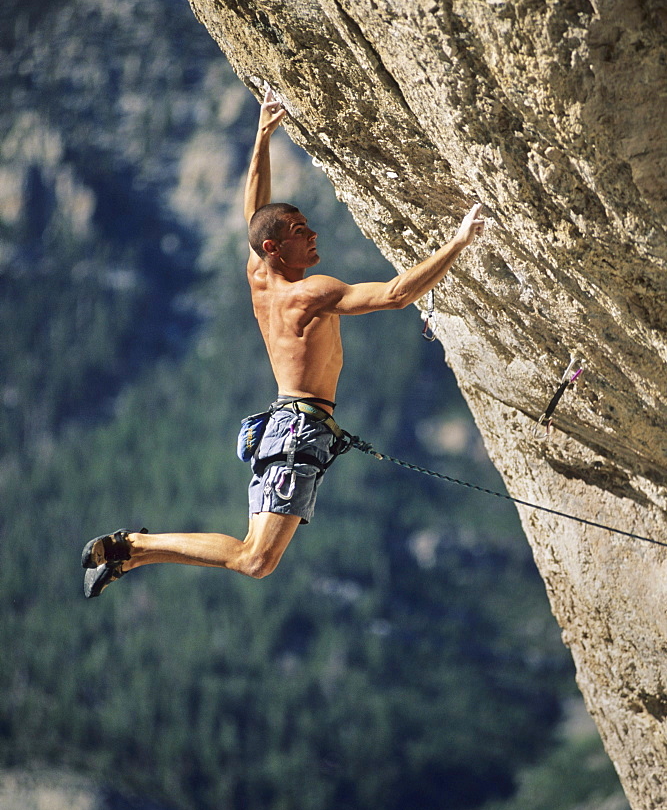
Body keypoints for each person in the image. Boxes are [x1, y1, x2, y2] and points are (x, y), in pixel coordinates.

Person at [81, 89, 485, 597]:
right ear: (275, 248)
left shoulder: (260, 274)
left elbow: (254, 213)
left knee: (255, 555)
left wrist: (261, 138)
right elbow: (396, 294)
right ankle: (135, 547)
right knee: (255, 560)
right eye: (301, 230)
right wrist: (460, 242)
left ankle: (134, 552)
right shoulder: (310, 295)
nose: (314, 235)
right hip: (298, 431)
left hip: (290, 425)